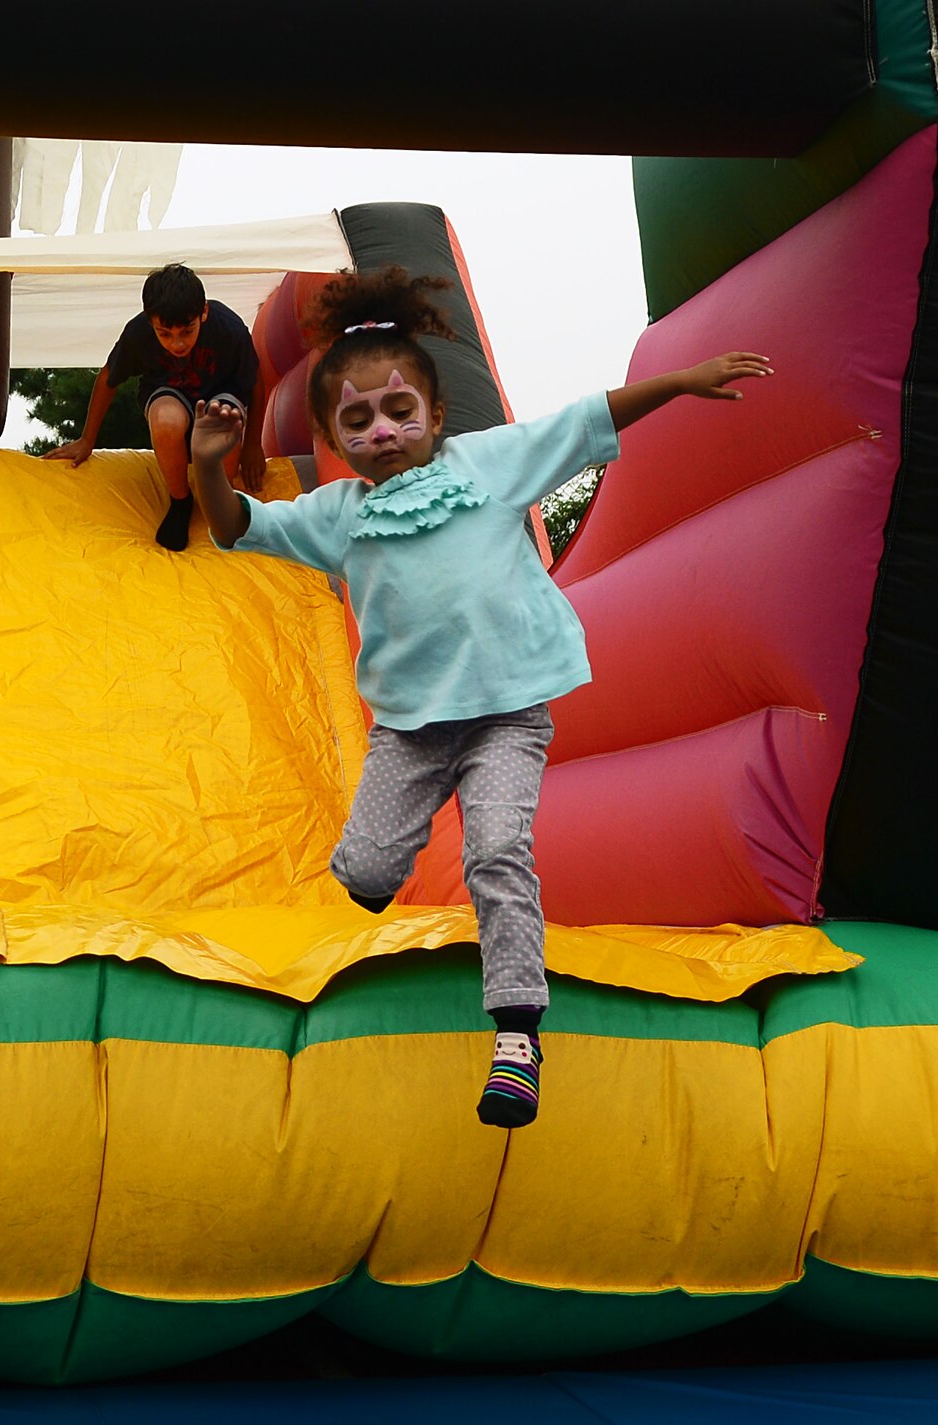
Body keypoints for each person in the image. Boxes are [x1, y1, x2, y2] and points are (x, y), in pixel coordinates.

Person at [188, 265, 771, 1128]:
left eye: (398, 410)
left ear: (435, 415)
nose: (381, 430)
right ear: (333, 437)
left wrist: (680, 382)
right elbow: (238, 526)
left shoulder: (488, 464)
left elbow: (584, 421)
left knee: (496, 852)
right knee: (366, 873)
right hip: (411, 732)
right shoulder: (339, 513)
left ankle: (518, 1035)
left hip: (506, 716)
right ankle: (382, 865)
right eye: (357, 420)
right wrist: (207, 466)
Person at [46, 263, 264, 551]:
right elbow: (109, 378)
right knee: (165, 420)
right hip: (170, 394)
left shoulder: (229, 329)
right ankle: (180, 500)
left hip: (220, 394)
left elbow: (255, 382)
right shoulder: (138, 333)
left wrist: (253, 444)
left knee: (224, 420)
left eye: (187, 331)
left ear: (204, 313)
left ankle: (219, 499)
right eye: (165, 334)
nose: (177, 343)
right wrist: (87, 439)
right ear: (151, 322)